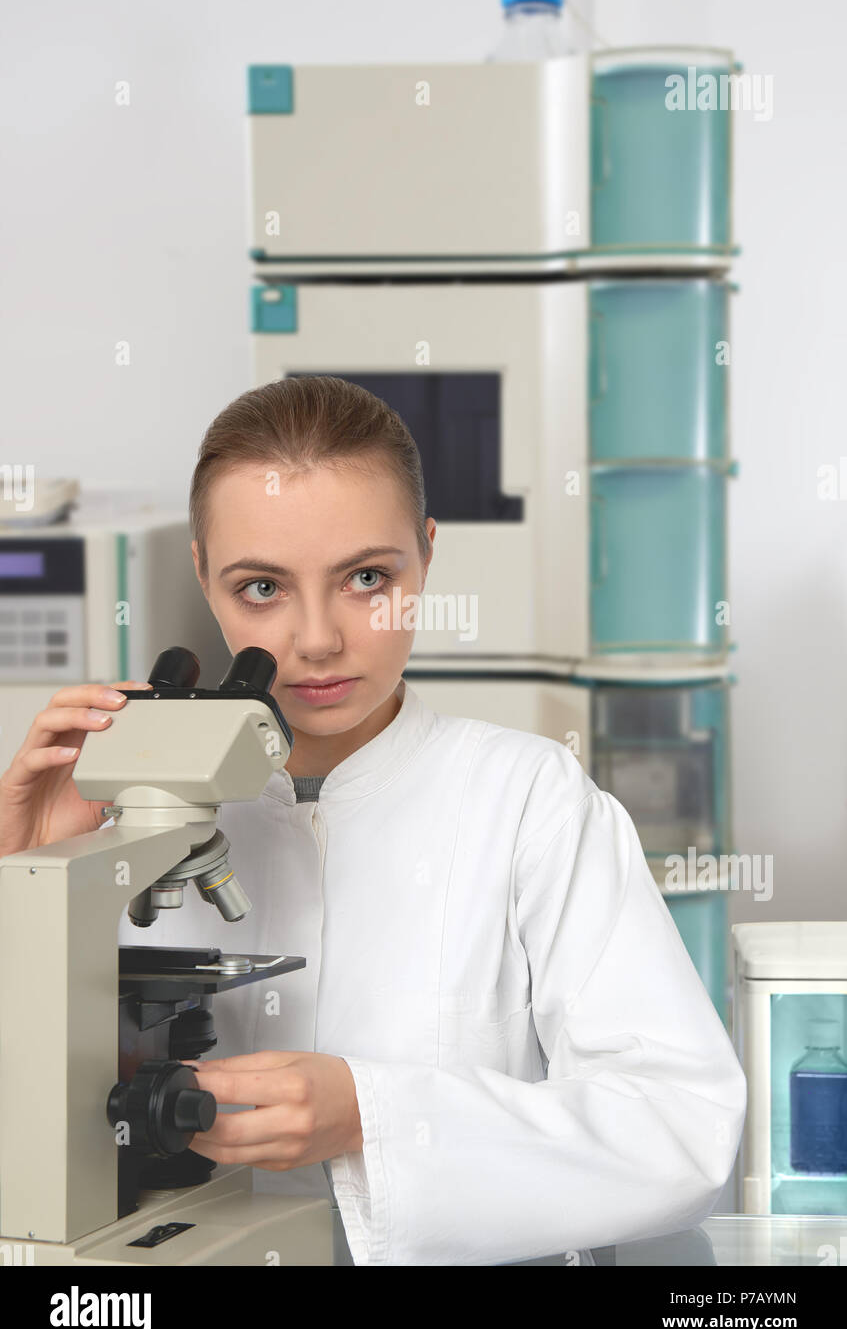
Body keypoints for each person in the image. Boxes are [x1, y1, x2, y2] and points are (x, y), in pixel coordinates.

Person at [0, 376, 747, 1266]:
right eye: (262, 587)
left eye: (365, 578)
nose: (316, 639)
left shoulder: (528, 800)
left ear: (425, 558)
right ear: (202, 574)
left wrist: (373, 1115)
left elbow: (682, 1135)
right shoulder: (119, 814)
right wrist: (31, 883)